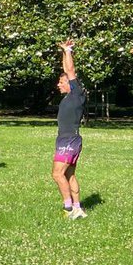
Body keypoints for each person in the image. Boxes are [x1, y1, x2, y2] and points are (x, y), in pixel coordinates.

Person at [53, 40, 88, 219]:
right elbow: (66, 71)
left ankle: (68, 209)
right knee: (69, 175)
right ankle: (78, 208)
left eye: (61, 82)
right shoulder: (68, 97)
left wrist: (67, 51)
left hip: (69, 140)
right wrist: (64, 53)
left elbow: (70, 71)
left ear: (70, 84)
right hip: (66, 139)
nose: (58, 85)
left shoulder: (77, 93)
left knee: (57, 174)